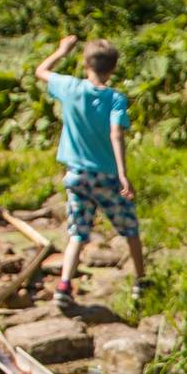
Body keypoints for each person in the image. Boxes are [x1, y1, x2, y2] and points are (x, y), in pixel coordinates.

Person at [33, 34, 144, 308]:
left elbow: (41, 72)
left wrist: (61, 50)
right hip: (105, 175)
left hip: (77, 175)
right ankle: (140, 282)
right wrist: (122, 174)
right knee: (129, 228)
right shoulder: (115, 99)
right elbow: (116, 134)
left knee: (77, 233)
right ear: (113, 67)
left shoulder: (69, 87)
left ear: (85, 63)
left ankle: (63, 286)